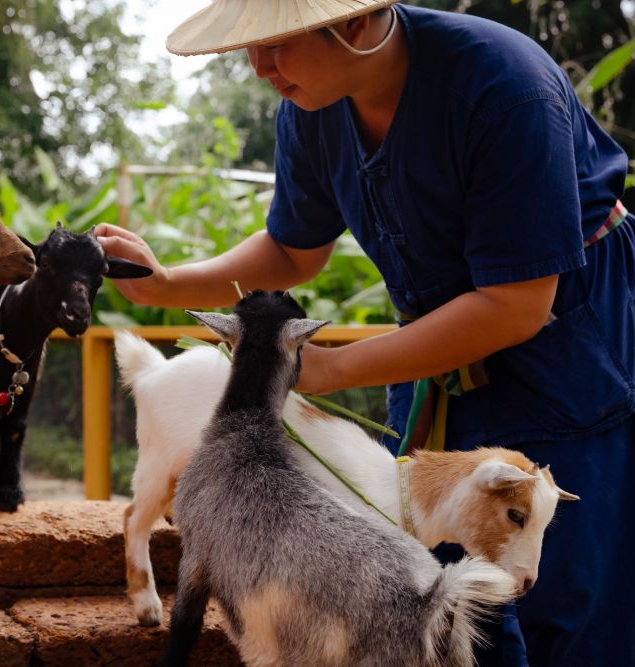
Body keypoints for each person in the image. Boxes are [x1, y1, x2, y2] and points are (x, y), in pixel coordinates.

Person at [94, 2, 635, 666]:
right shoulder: (311, 106)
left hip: (562, 337)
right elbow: (294, 250)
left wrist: (329, 369)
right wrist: (169, 283)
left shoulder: (503, 85)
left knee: (556, 588)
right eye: (248, 48)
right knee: (423, 578)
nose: (258, 68)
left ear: (355, 23)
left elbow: (514, 304)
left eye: (276, 45)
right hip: (433, 336)